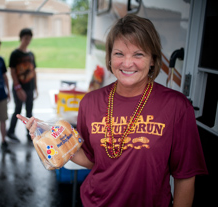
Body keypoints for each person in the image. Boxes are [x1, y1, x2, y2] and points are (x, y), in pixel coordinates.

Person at [18, 14, 208, 206]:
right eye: (119, 54)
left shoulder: (176, 106)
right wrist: (48, 139)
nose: (127, 63)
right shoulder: (90, 102)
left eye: (138, 54)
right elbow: (92, 159)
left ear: (153, 59)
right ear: (110, 58)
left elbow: (185, 176)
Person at [7, 28, 38, 143]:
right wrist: (18, 88)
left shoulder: (31, 54)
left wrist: (36, 87)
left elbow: (34, 71)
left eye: (29, 39)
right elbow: (13, 72)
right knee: (18, 111)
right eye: (25, 38)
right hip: (19, 87)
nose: (27, 41)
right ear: (21, 38)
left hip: (29, 87)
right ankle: (10, 131)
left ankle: (30, 133)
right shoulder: (15, 54)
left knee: (29, 111)